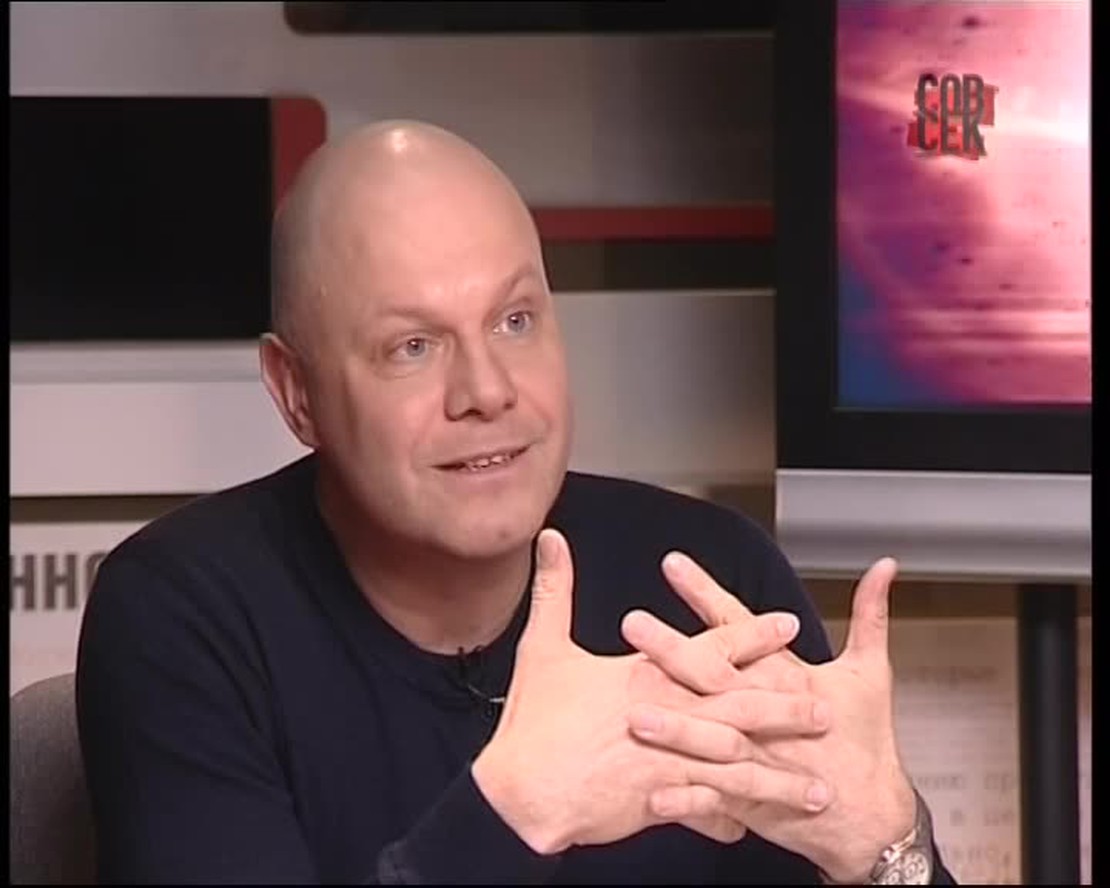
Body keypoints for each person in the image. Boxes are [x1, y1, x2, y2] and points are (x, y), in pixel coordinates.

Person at [76, 120, 955, 885]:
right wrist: (517, 812)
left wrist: (885, 849)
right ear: (295, 391)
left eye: (515, 321)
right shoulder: (184, 615)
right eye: (413, 347)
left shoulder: (709, 578)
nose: (487, 391)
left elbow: (877, 852)